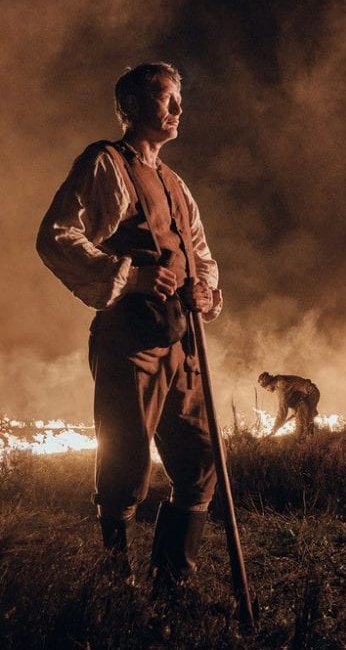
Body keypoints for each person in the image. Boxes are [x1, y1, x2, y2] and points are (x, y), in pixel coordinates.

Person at [36, 62, 222, 591]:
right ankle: (114, 585)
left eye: (179, 99)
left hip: (182, 342)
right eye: (167, 98)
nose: (178, 109)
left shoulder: (175, 182)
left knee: (201, 459)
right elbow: (57, 235)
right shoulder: (106, 163)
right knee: (125, 466)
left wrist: (205, 290)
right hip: (129, 340)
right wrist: (132, 277)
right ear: (133, 106)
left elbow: (200, 252)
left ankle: (171, 580)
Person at [257, 372, 320, 440]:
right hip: (307, 395)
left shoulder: (281, 386)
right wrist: (295, 410)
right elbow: (294, 394)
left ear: (269, 383)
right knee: (304, 420)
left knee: (301, 430)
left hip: (310, 395)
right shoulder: (279, 379)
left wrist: (275, 427)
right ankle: (312, 437)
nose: (267, 390)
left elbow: (282, 411)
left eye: (265, 387)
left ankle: (308, 442)